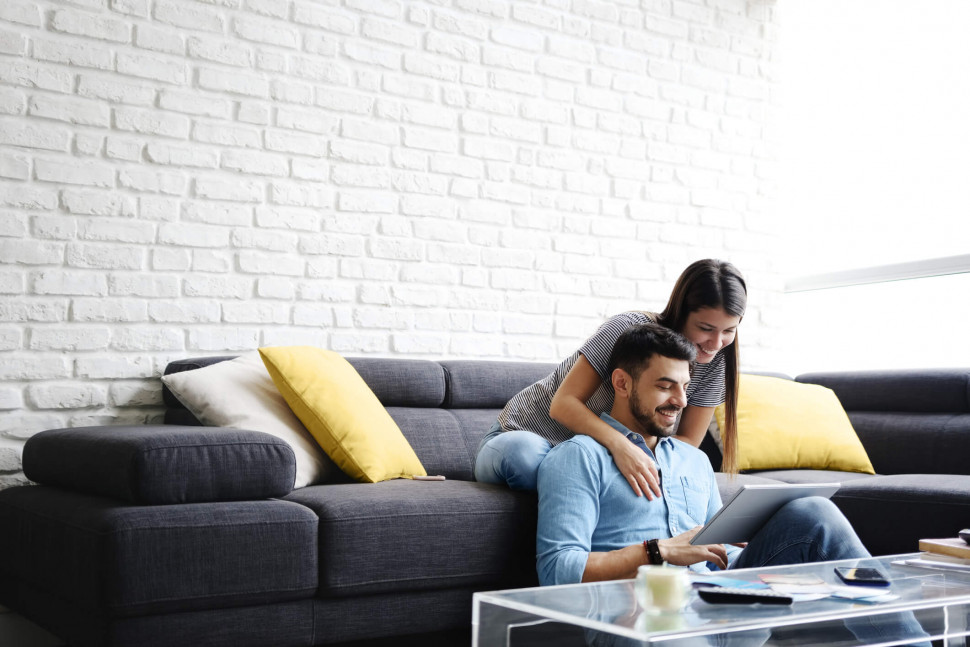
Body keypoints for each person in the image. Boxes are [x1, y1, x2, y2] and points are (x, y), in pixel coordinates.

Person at [535, 324, 930, 647]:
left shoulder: (693, 459)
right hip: (645, 618)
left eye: (685, 387)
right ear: (622, 383)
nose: (680, 401)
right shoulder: (578, 457)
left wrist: (750, 542)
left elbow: (716, 551)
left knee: (814, 511)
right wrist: (658, 552)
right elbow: (556, 570)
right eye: (665, 386)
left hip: (726, 604)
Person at [474, 259, 745, 497]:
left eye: (729, 331)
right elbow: (563, 404)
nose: (716, 342)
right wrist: (622, 448)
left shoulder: (716, 364)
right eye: (705, 328)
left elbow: (686, 444)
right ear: (681, 311)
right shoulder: (628, 329)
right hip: (528, 436)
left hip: (591, 458)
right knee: (528, 460)